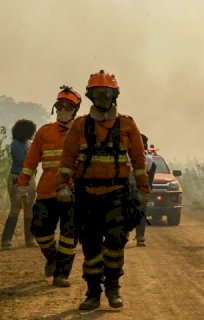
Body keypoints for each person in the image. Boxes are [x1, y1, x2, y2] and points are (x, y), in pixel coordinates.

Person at [56, 70, 150, 310]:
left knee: (116, 243)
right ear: (90, 96)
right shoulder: (80, 125)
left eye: (106, 93)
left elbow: (139, 161)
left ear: (114, 95)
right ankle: (92, 293)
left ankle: (113, 288)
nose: (102, 98)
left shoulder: (127, 124)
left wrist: (142, 191)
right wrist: (62, 187)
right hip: (86, 194)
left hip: (117, 194)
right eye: (97, 94)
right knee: (90, 246)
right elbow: (67, 160)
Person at [17, 86, 82, 287]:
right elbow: (31, 161)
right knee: (39, 229)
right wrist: (22, 183)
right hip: (46, 191)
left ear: (75, 109)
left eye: (67, 106)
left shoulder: (82, 132)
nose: (63, 109)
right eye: (59, 105)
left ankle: (61, 274)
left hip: (74, 194)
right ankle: (52, 258)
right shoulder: (44, 132)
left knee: (69, 235)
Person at [1, 119, 37, 249]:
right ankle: (6, 240)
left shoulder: (28, 143)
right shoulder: (16, 144)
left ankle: (29, 239)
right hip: (18, 178)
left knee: (29, 210)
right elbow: (23, 161)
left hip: (29, 178)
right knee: (15, 209)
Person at [134, 133, 156, 247]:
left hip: (131, 190)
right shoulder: (150, 160)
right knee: (141, 213)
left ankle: (140, 237)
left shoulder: (148, 159)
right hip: (139, 190)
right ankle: (140, 238)